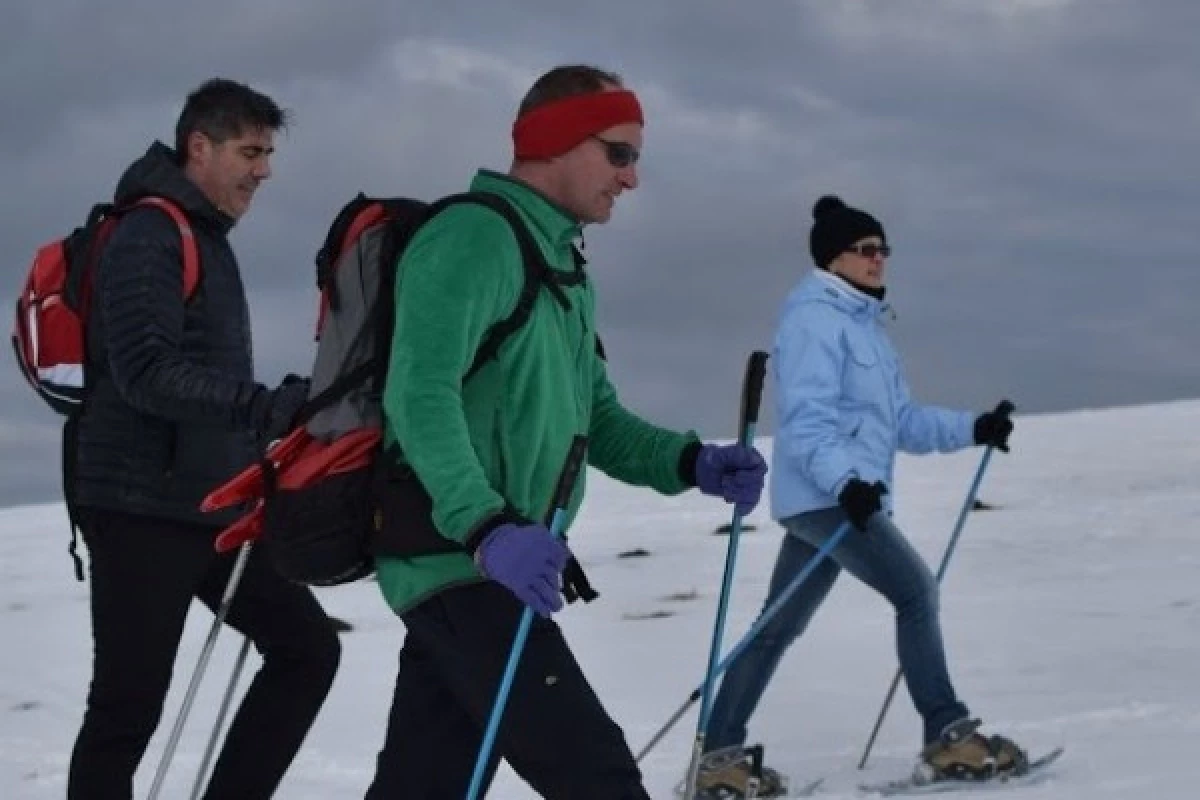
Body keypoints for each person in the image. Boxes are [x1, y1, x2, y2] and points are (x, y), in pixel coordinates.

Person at [363, 64, 769, 800]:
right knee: (598, 777)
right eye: (619, 153)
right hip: (463, 562)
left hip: (485, 572)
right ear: (553, 140)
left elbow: (599, 421)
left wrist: (691, 461)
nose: (632, 178)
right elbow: (417, 395)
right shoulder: (472, 239)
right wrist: (486, 528)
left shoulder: (560, 265)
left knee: (426, 786)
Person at [692, 195, 1023, 798]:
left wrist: (974, 428)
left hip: (842, 499)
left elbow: (902, 422)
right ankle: (948, 733)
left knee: (775, 628)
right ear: (833, 258)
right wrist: (846, 482)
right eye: (865, 250)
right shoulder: (814, 321)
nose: (878, 260)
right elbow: (808, 421)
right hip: (831, 498)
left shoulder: (865, 326)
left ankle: (717, 759)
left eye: (882, 249)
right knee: (916, 591)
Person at [68, 78, 341, 799]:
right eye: (251, 151)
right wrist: (263, 407)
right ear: (200, 146)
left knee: (307, 650)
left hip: (208, 507)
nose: (265, 170)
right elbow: (146, 374)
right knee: (127, 709)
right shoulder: (148, 232)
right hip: (138, 507)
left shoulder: (202, 236)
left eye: (268, 153)